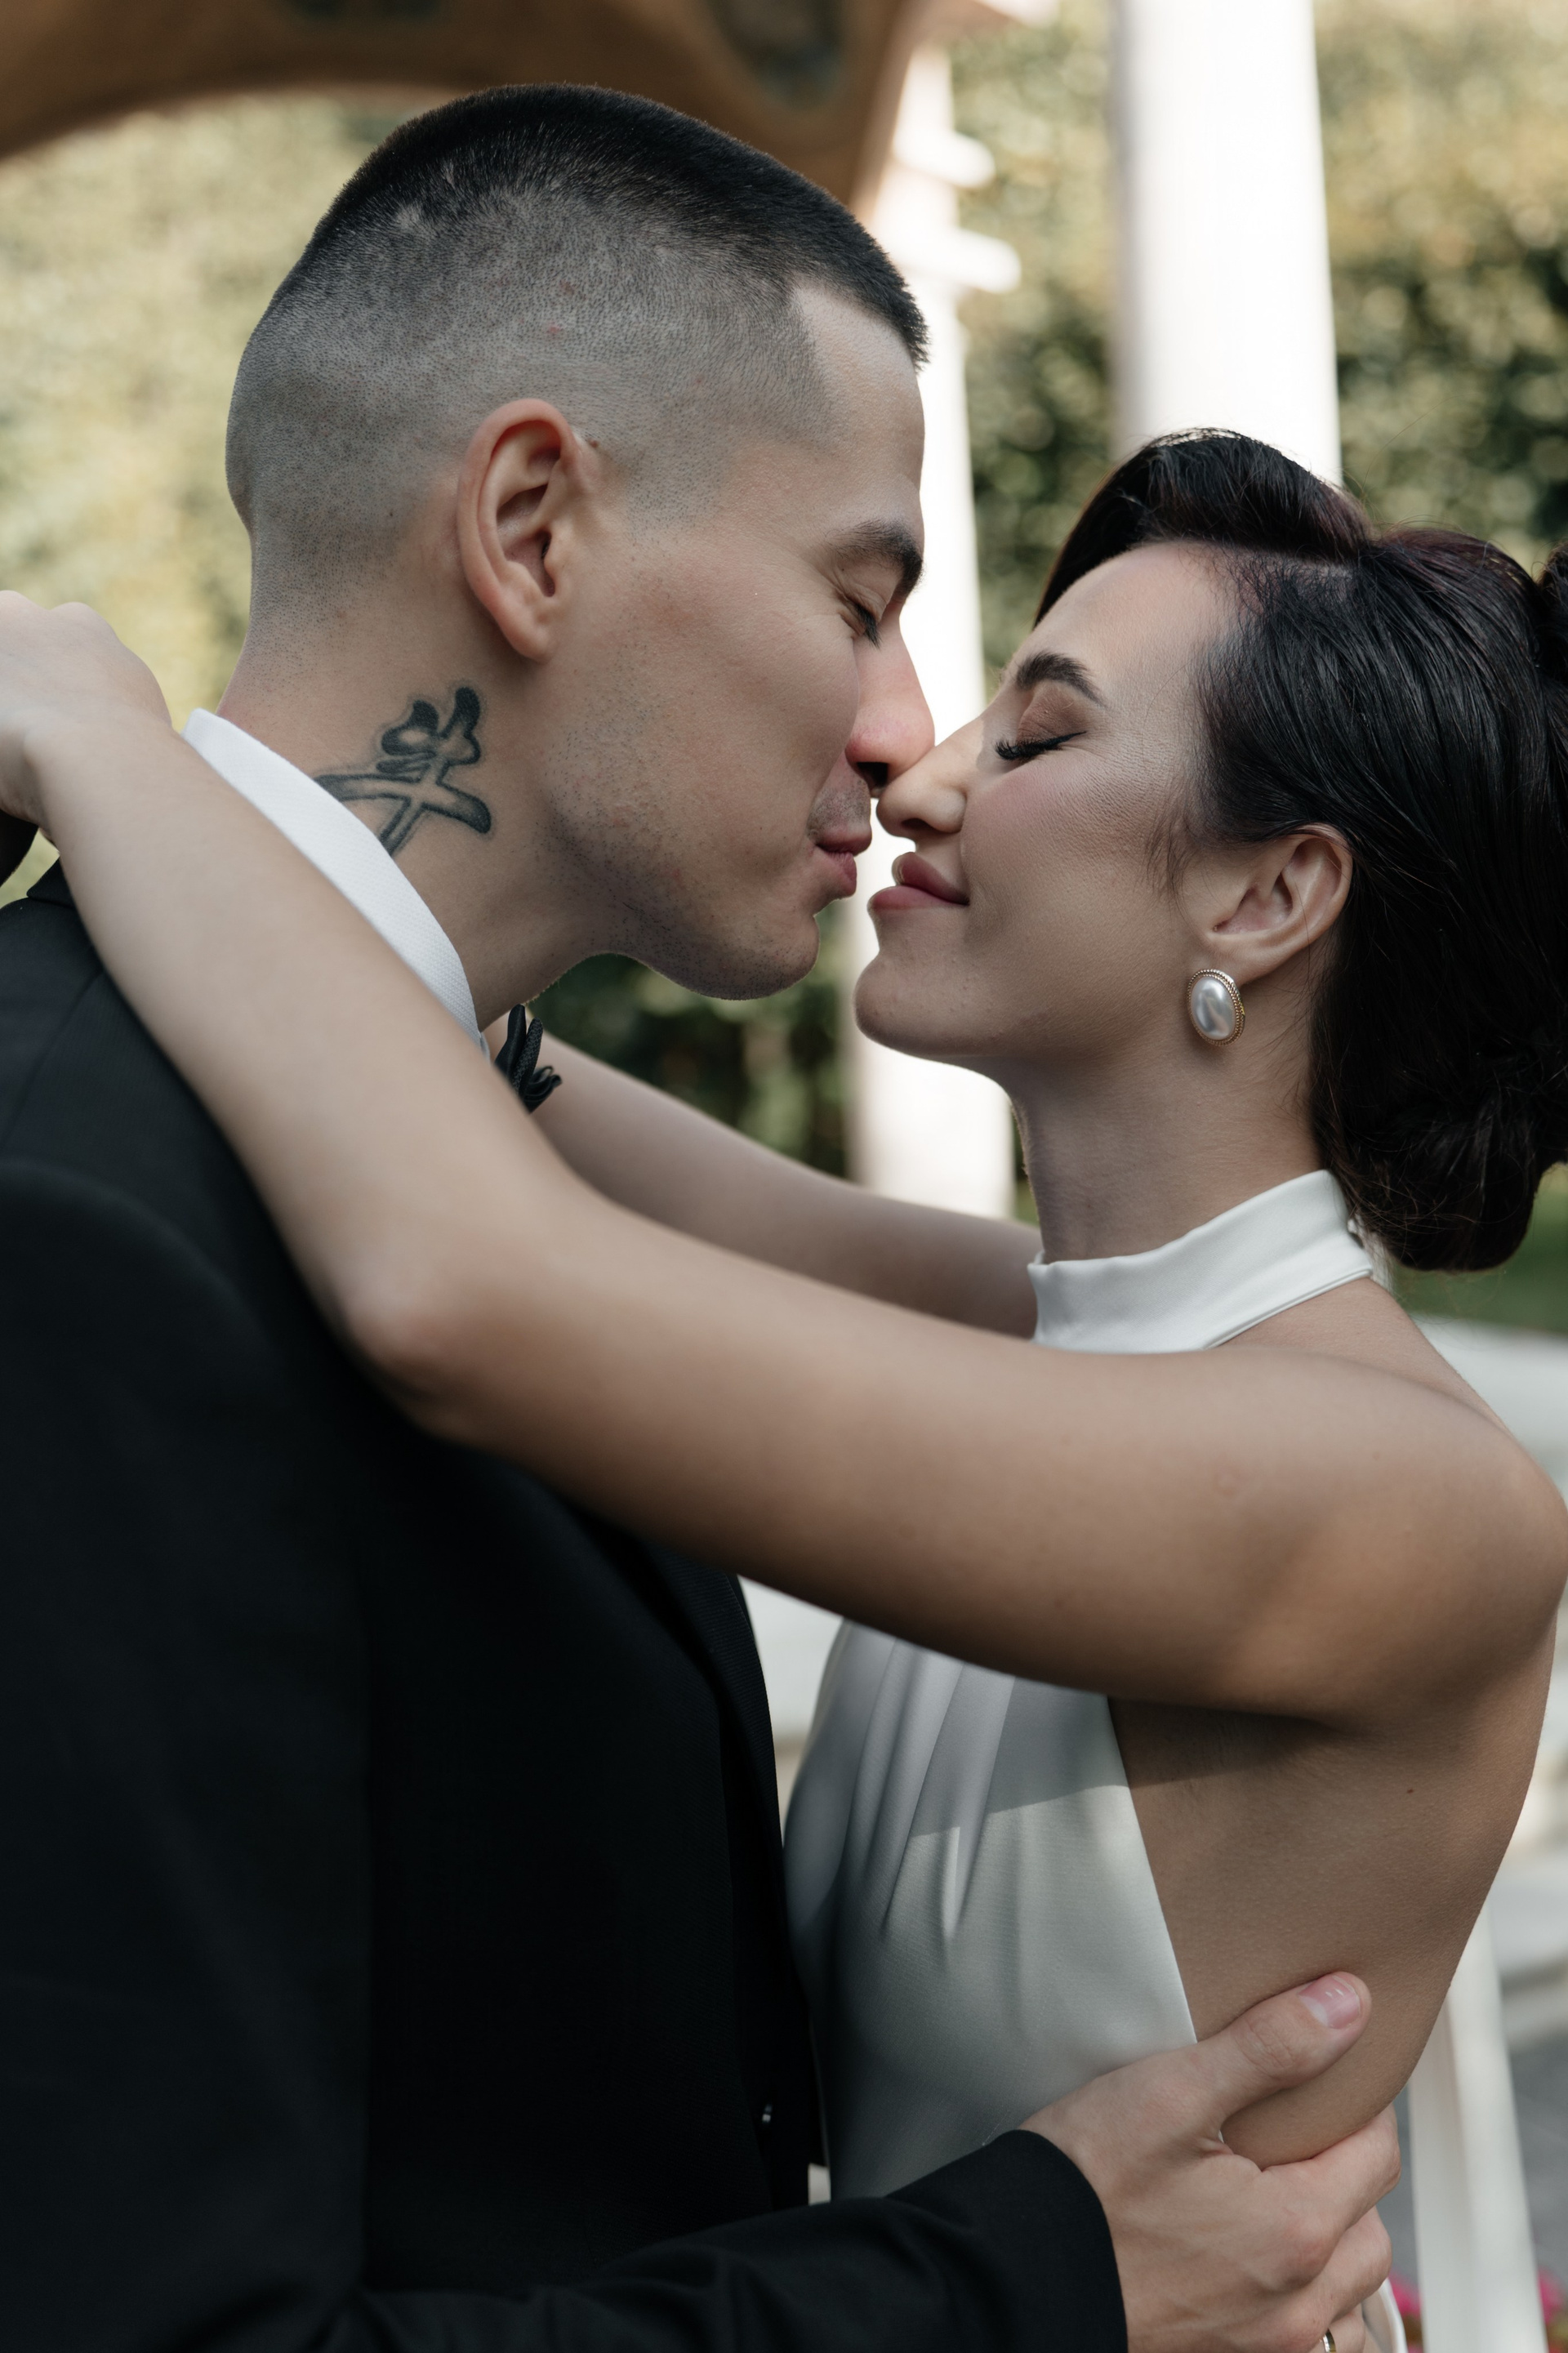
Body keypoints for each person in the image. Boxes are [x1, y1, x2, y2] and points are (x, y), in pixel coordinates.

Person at [0, 87, 1402, 2353]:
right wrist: (1012, 2284)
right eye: (861, 601)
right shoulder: (78, 1227)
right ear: (532, 527)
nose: (907, 737)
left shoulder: (451, 1125)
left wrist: (117, 753)